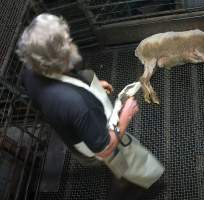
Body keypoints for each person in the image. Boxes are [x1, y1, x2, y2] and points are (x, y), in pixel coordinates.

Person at [16, 13, 139, 164]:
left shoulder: (29, 72)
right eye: (68, 42)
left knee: (87, 75)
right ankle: (123, 179)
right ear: (59, 60)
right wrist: (124, 118)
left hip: (69, 127)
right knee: (115, 157)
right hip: (91, 142)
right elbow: (104, 150)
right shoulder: (79, 105)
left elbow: (60, 82)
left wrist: (93, 86)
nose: (71, 42)